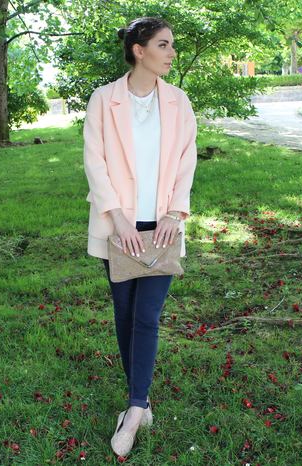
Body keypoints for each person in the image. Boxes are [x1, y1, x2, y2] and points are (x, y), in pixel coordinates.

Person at [82, 17, 198, 458]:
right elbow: (95, 162)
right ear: (139, 50)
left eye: (171, 45)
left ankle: (133, 410)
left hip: (162, 227)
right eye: (163, 45)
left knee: (147, 316)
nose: (171, 53)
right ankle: (141, 400)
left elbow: (186, 160)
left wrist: (174, 212)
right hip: (119, 227)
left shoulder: (178, 101)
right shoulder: (104, 99)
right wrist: (118, 219)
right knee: (125, 315)